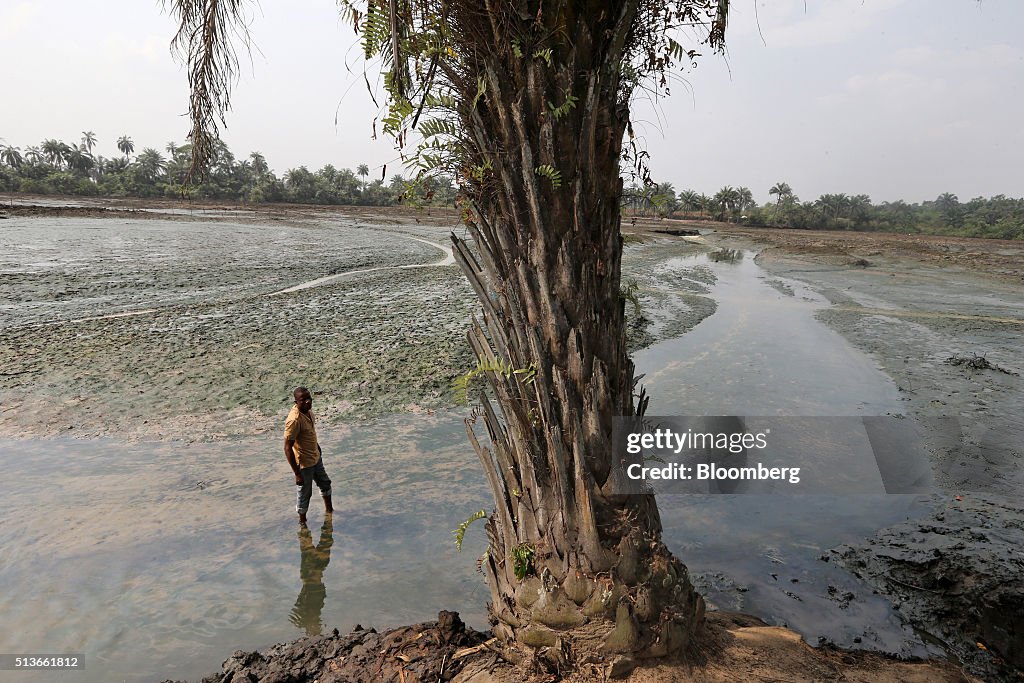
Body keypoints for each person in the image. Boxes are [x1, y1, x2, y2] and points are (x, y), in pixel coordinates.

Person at [284, 386, 333, 525]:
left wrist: (317, 447)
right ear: (296, 401)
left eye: (309, 398)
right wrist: (297, 473)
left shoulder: (309, 412)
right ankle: (302, 523)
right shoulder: (294, 420)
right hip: (304, 464)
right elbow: (287, 448)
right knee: (305, 494)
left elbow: (309, 433)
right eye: (303, 400)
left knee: (325, 484)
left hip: (316, 457)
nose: (307, 402)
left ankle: (329, 512)